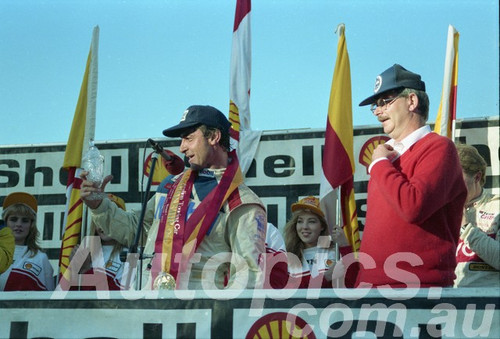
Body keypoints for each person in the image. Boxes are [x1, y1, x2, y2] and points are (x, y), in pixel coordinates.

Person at [80, 105, 267, 290]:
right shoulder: (170, 185)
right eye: (181, 139)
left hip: (197, 313)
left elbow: (249, 277)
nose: (182, 147)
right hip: (149, 304)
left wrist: (217, 316)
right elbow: (135, 231)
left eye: (189, 138)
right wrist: (99, 205)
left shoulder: (242, 202)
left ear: (214, 137)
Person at [356, 64, 467, 288]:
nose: (378, 111)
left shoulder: (438, 148)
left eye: (384, 102)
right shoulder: (387, 156)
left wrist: (379, 163)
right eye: (375, 106)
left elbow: (413, 207)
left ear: (412, 101)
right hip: (371, 290)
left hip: (418, 293)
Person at [59, 194, 133, 291]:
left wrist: (85, 270)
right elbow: (65, 296)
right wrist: (74, 269)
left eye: (110, 219)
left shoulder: (130, 255)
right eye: (101, 219)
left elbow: (121, 296)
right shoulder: (85, 252)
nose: (104, 224)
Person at [454, 144, 499, 287]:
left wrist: (465, 227)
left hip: (488, 303)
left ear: (477, 177)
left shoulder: (497, 207)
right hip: (447, 302)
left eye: (456, 179)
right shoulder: (439, 210)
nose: (450, 185)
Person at [283, 196, 349, 288]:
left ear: (322, 226)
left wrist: (345, 246)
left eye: (312, 221)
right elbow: (285, 288)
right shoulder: (286, 255)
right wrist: (326, 277)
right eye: (300, 221)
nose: (304, 227)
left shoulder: (335, 251)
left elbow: (353, 284)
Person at [0, 192, 55, 291]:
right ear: (5, 223)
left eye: (25, 220)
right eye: (13, 219)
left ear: (31, 225)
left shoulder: (40, 258)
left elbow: (48, 300)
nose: (18, 224)